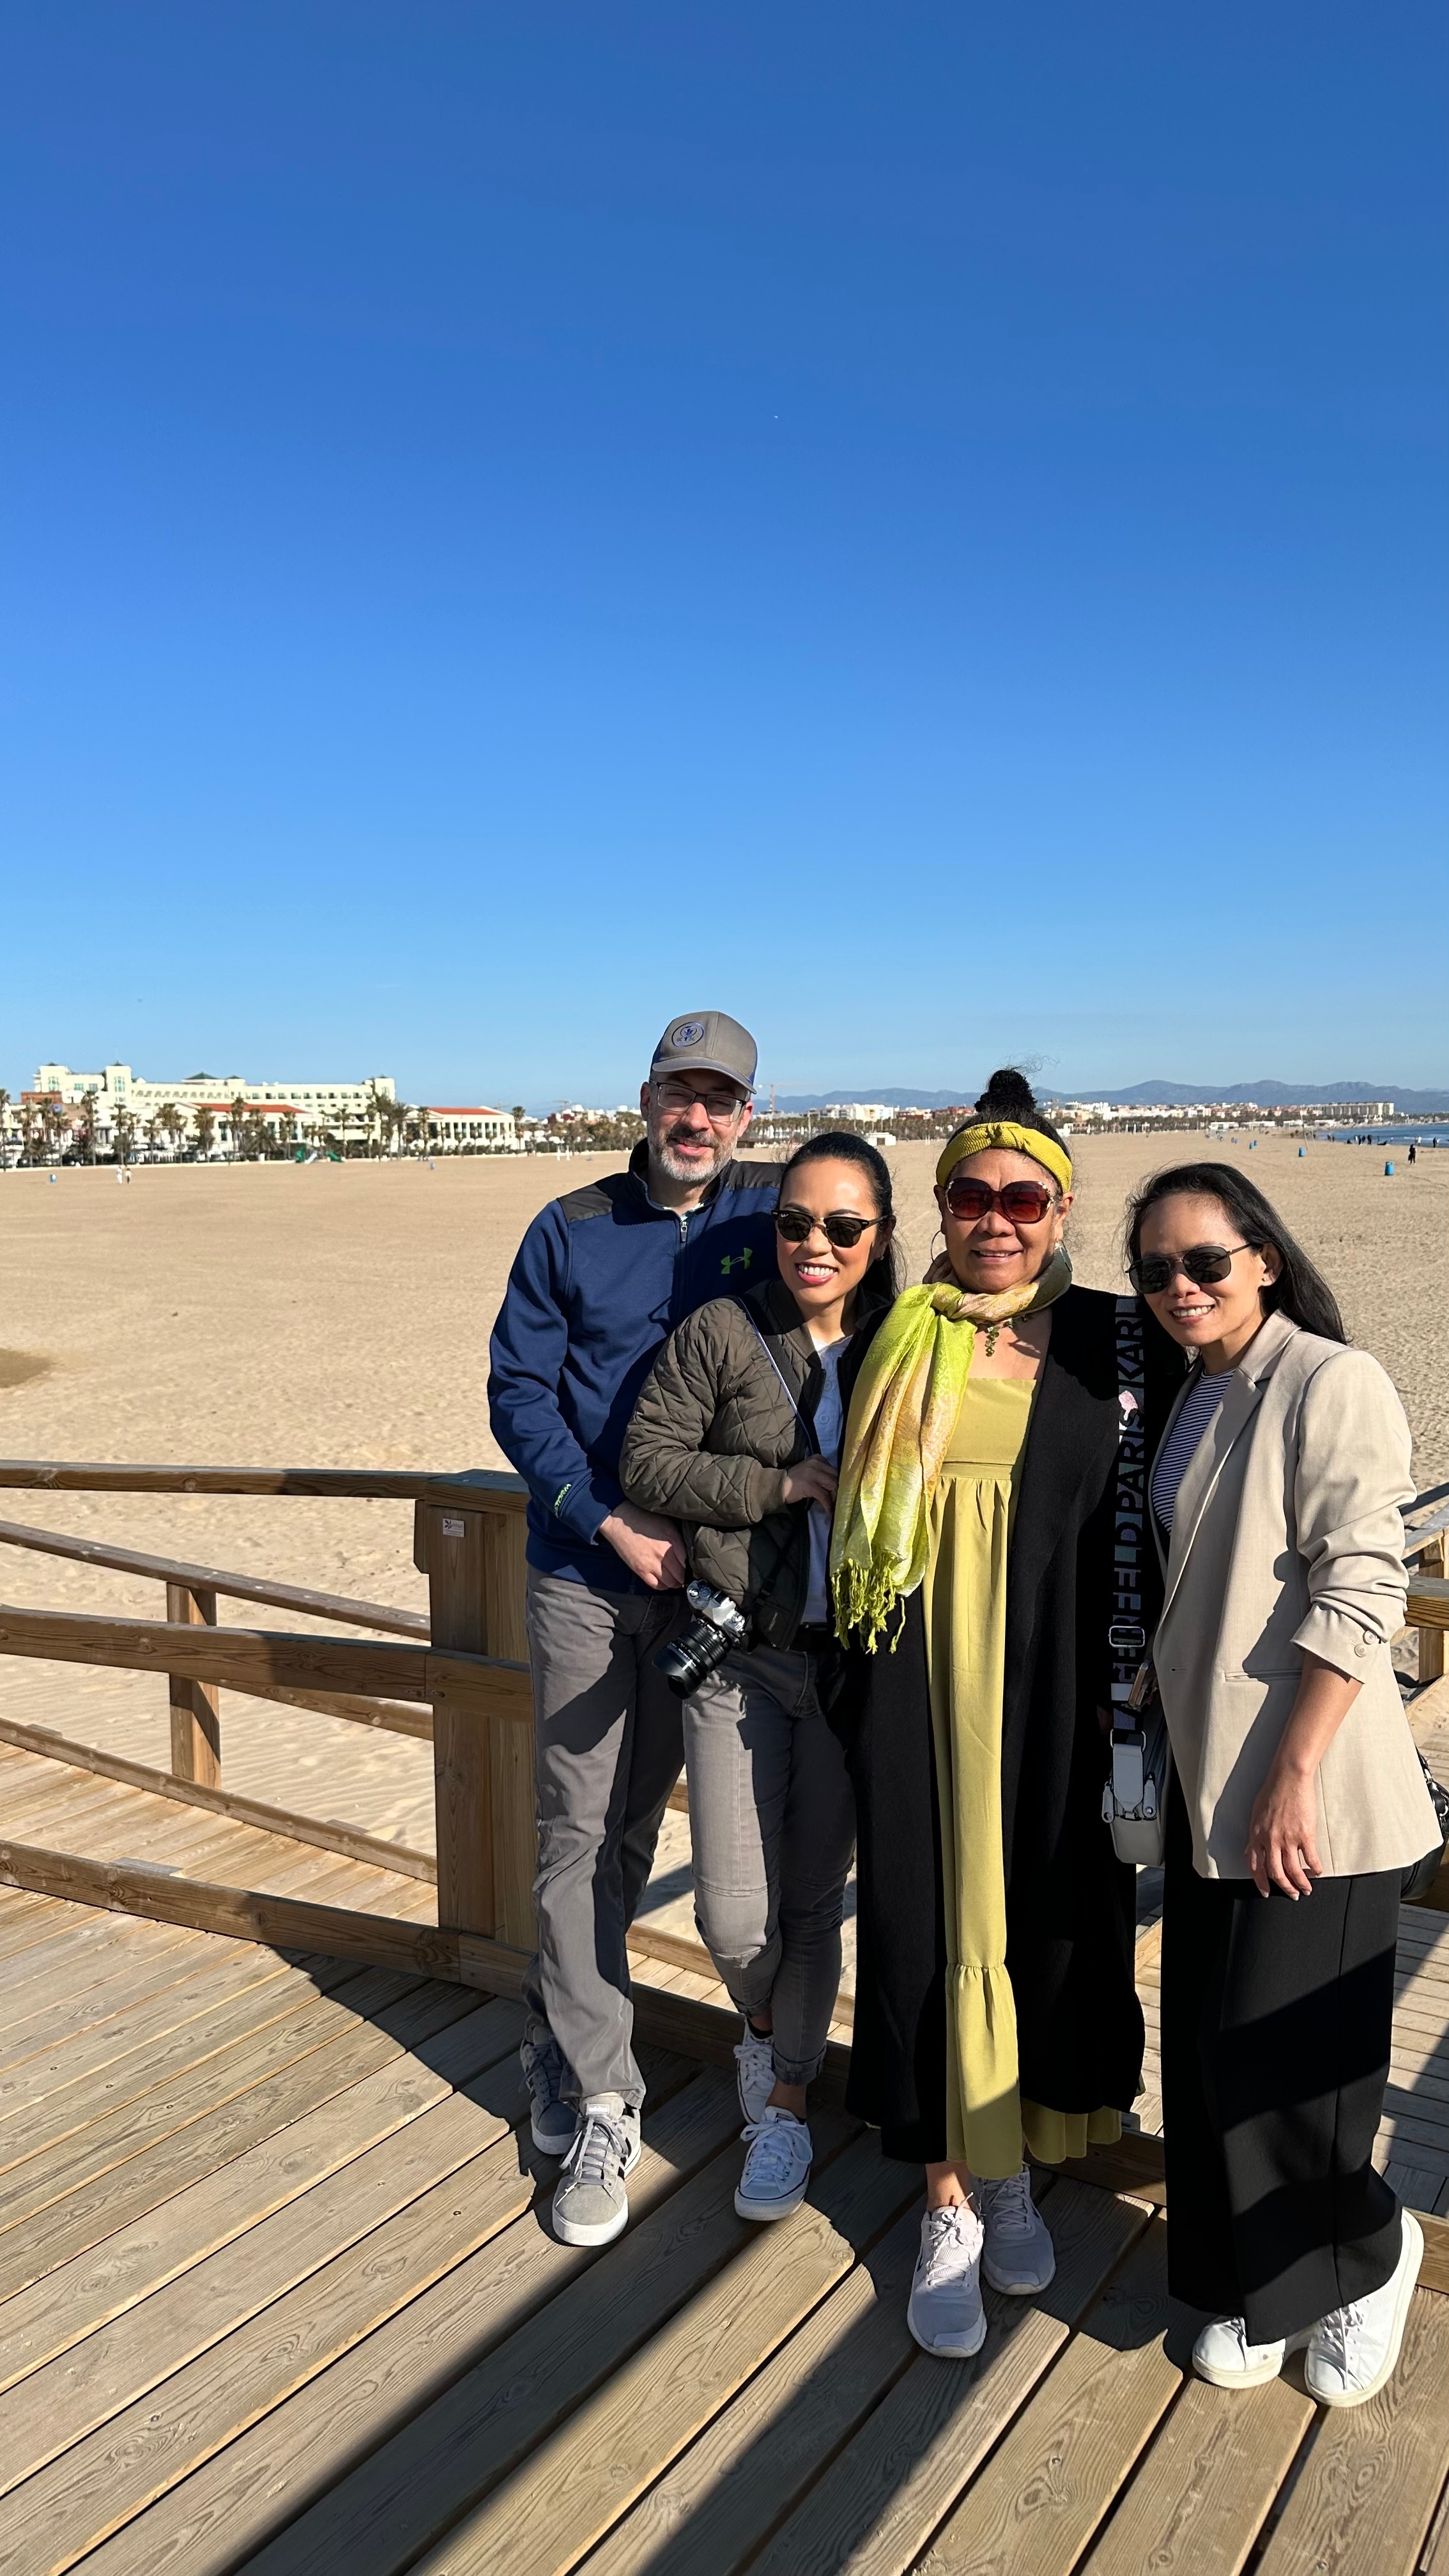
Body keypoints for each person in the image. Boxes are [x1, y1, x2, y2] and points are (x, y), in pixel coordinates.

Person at [832, 1070, 1180, 2361]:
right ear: (942, 1206)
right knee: (927, 1914)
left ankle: (1019, 2164)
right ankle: (943, 2195)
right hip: (918, 1666)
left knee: (1041, 1903)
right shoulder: (897, 1337)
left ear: (1060, 1208)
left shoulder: (1114, 1339)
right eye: (972, 1194)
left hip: (1059, 1680)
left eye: (1023, 1196)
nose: (997, 1218)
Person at [1128, 1162, 1438, 2406]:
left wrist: (1298, 1768)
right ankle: (1262, 2290)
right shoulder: (1197, 1392)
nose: (1181, 1286)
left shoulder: (1330, 1378)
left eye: (1206, 1259)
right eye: (1156, 1269)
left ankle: (1368, 2256)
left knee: (1294, 2067)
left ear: (1262, 1255)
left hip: (1312, 1799)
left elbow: (1365, 1580)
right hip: (1213, 1789)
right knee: (1213, 2057)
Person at [488, 1011, 785, 2247]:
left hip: (711, 1586)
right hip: (585, 1572)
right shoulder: (572, 1226)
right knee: (575, 1830)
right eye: (680, 1093)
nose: (697, 1118)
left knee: (637, 1833)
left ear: (747, 1117)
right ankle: (604, 2088)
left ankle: (569, 2032)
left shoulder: (769, 1221)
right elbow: (519, 1391)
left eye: (721, 1100)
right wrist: (606, 1521)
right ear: (646, 1096)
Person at [620, 1133, 897, 2221]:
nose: (814, 1245)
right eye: (794, 1223)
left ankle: (783, 2108)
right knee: (736, 1921)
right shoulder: (723, 1334)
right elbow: (648, 1462)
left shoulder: (905, 1341)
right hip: (739, 1657)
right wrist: (778, 1484)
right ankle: (765, 2033)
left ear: (878, 1237)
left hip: (850, 1667)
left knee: (815, 1901)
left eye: (841, 1226)